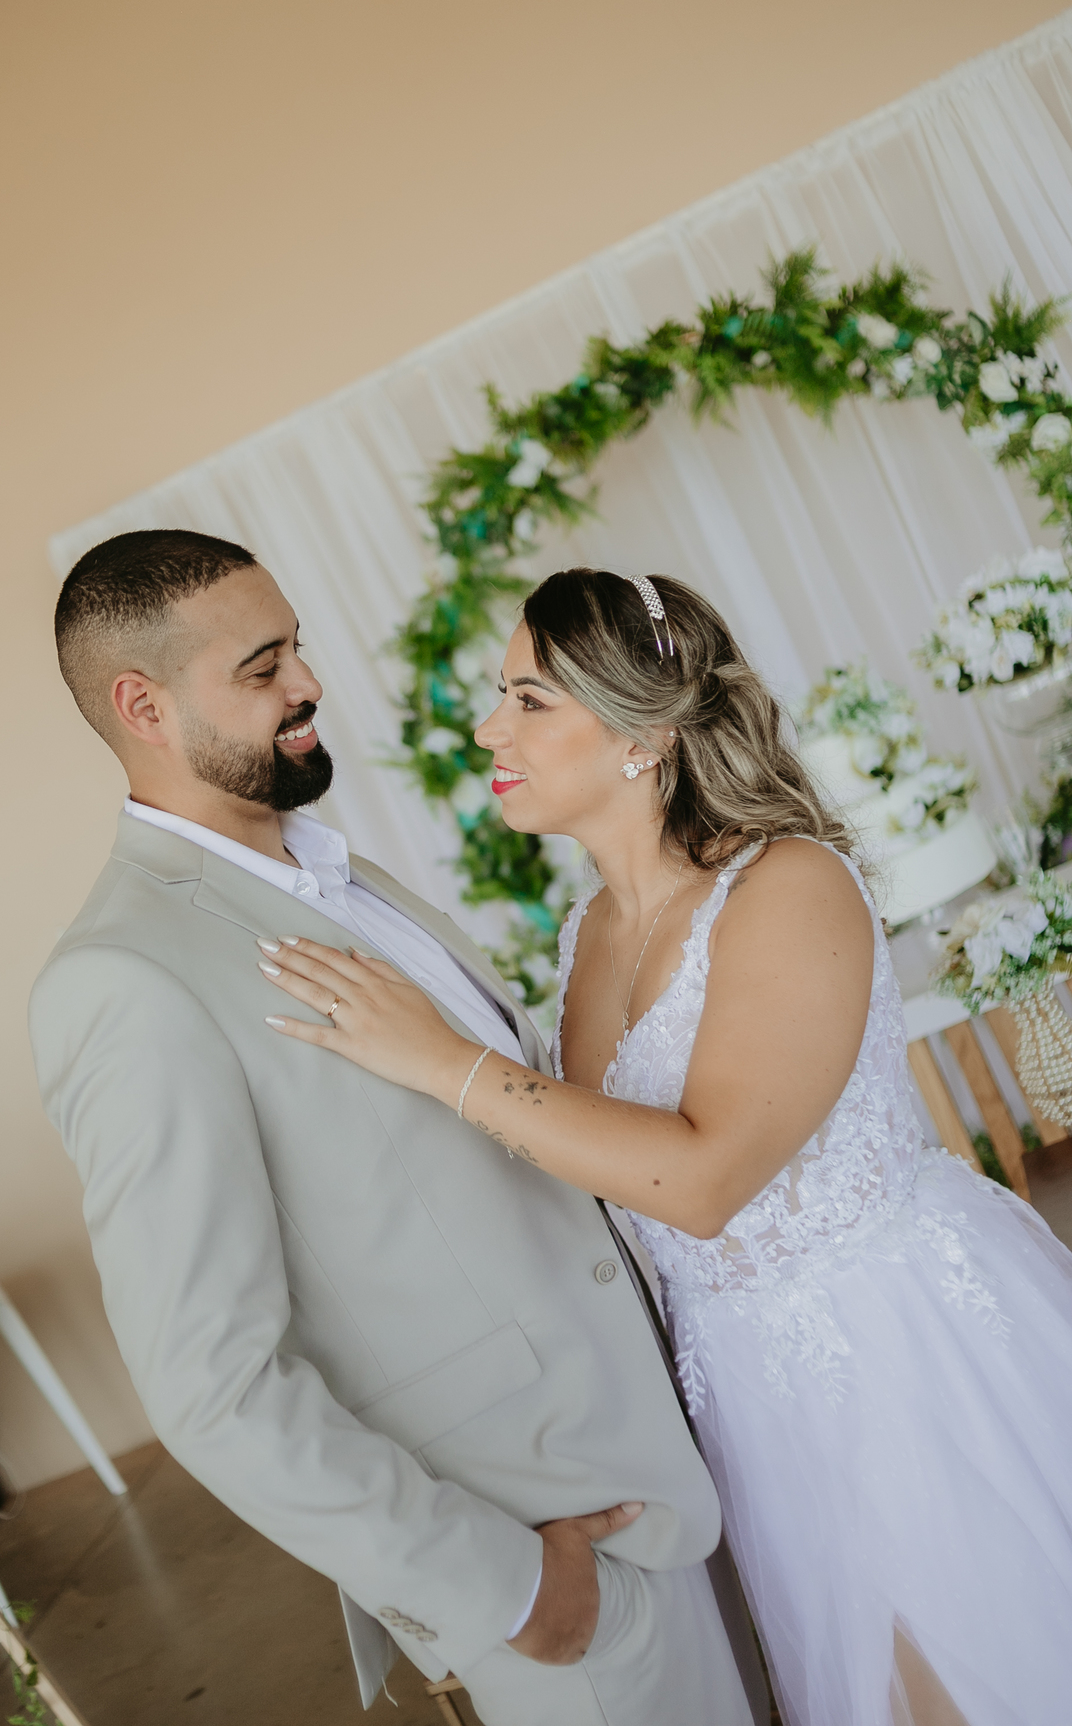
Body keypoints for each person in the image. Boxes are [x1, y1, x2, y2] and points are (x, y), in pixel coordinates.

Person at [261, 565, 1072, 1726]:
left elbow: (702, 1180)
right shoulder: (587, 932)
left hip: (895, 1359)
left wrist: (443, 1062)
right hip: (735, 1393)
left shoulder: (788, 884)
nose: (490, 730)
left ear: (643, 734)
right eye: (500, 695)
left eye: (529, 700)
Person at [29, 531, 765, 1726]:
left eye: (297, 648)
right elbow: (212, 1386)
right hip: (562, 1555)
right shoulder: (122, 979)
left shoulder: (338, 874)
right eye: (263, 668)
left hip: (688, 1462)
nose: (308, 683)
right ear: (142, 707)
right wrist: (505, 1591)